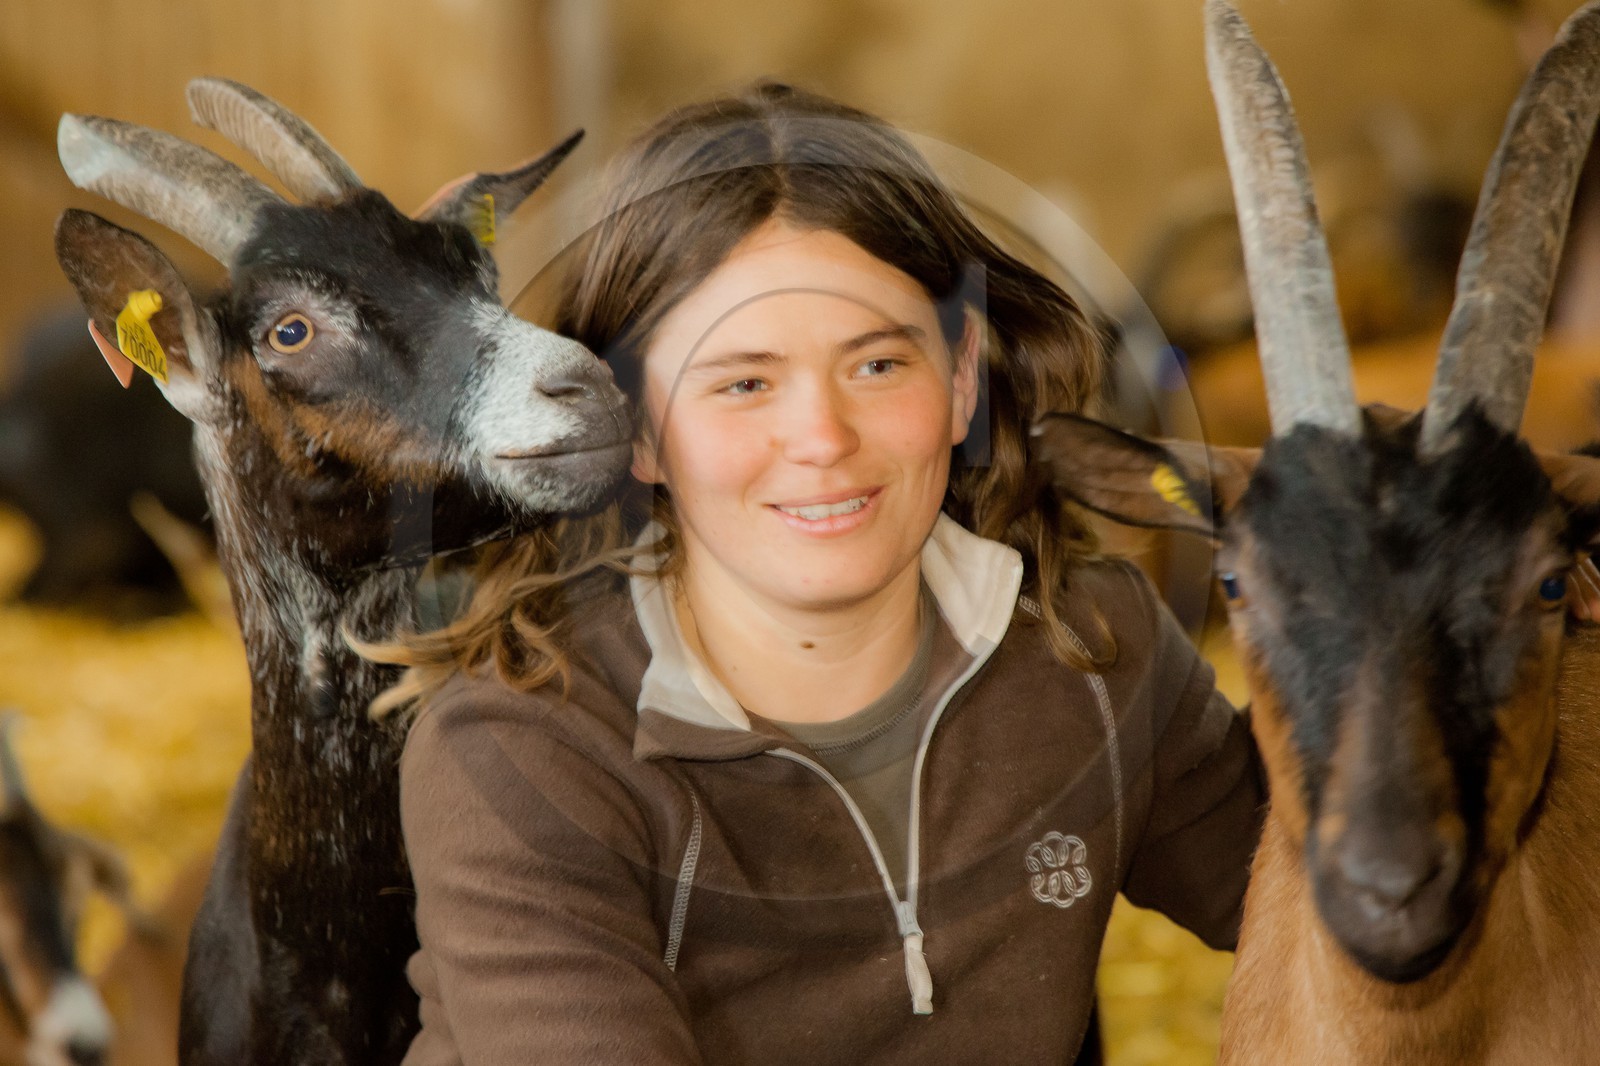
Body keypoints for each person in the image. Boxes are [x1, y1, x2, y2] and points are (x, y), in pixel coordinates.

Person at [380, 82, 1264, 1064]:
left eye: (877, 365)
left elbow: (1350, 902)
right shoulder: (525, 748)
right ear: (634, 429)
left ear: (961, 376)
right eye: (743, 382)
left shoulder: (1090, 648)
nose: (822, 438)